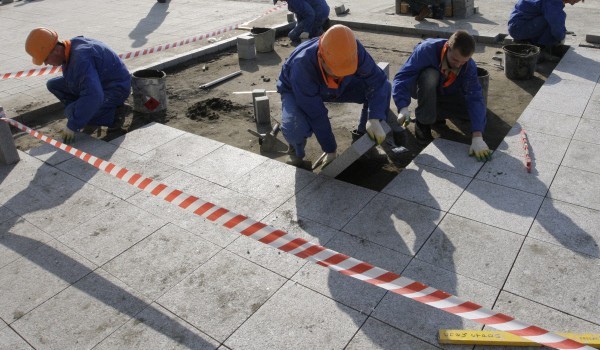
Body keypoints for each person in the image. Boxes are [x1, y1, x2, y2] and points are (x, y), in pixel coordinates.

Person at [276, 24, 390, 168]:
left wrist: (375, 117)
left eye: (344, 70)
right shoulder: (302, 66)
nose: (338, 74)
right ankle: (295, 150)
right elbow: (316, 113)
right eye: (335, 70)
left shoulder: (353, 50)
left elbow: (378, 81)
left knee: (385, 88)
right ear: (322, 58)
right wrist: (330, 149)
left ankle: (364, 141)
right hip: (296, 90)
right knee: (294, 128)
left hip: (339, 87)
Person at [392, 30, 492, 161]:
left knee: (474, 114)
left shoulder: (469, 66)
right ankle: (423, 124)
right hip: (423, 88)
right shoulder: (426, 50)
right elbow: (403, 77)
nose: (458, 65)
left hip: (447, 91)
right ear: (447, 47)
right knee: (430, 76)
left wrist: (478, 136)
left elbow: (474, 96)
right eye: (455, 59)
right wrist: (402, 106)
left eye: (463, 62)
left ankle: (436, 115)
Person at [25, 27, 131, 144]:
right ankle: (88, 114)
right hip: (101, 81)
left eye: (45, 59)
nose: (46, 63)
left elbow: (94, 95)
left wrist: (73, 124)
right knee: (53, 85)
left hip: (116, 88)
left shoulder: (80, 58)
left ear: (56, 51)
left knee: (71, 112)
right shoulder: (70, 46)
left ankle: (115, 114)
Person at [508, 0, 583, 49]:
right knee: (552, 21)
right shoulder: (553, 1)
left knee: (555, 18)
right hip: (519, 28)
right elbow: (556, 24)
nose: (575, 2)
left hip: (518, 26)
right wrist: (561, 38)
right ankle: (542, 48)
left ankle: (527, 41)